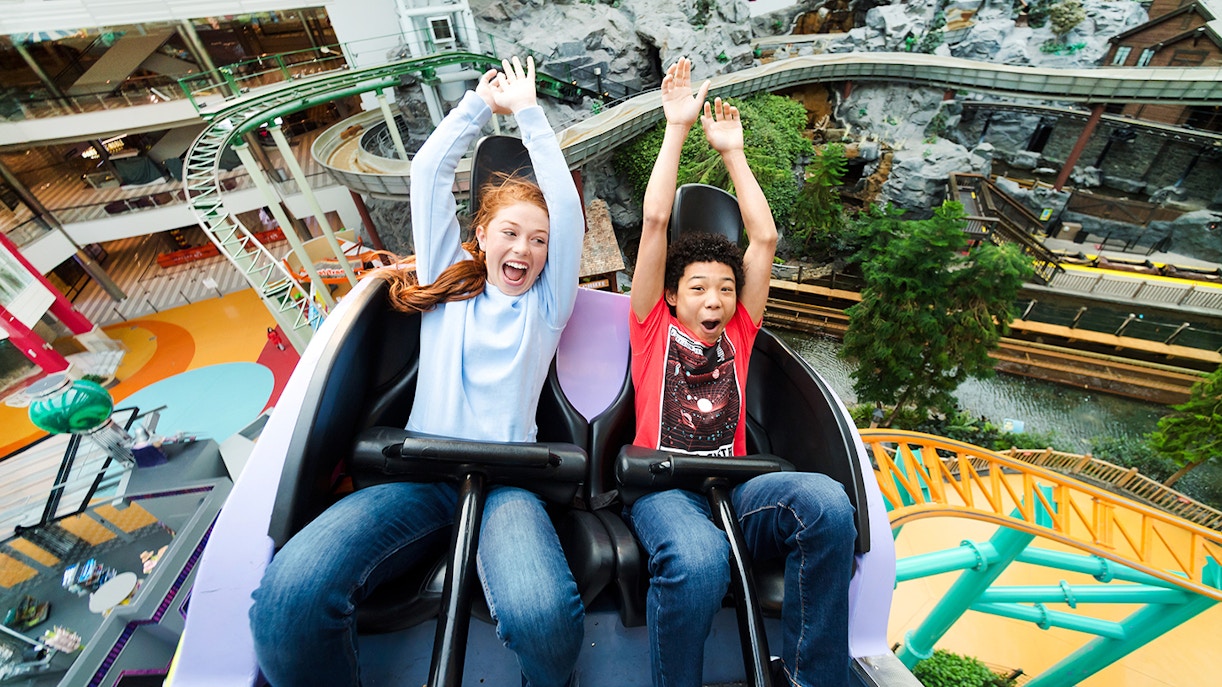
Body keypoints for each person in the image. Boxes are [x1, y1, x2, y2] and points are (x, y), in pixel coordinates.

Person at [249, 56, 586, 687]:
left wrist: (532, 116)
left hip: (509, 482)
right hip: (423, 472)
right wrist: (478, 106)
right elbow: (430, 171)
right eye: (510, 233)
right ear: (479, 235)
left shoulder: (546, 308)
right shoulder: (443, 287)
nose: (524, 250)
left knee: (544, 617)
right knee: (290, 597)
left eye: (538, 241)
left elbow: (566, 212)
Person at [625, 57, 856, 687]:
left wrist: (733, 154)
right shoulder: (653, 328)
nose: (713, 300)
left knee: (827, 505)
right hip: (664, 490)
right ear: (672, 296)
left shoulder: (740, 334)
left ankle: (811, 676)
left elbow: (765, 239)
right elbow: (653, 223)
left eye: (725, 289)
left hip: (736, 488)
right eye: (698, 288)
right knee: (698, 562)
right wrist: (675, 128)